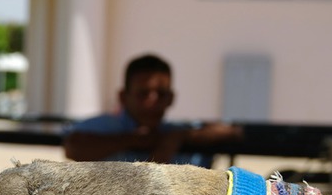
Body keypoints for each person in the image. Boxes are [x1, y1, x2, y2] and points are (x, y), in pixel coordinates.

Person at [63, 53, 242, 165]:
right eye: (143, 94)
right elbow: (74, 147)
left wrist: (182, 137)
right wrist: (134, 140)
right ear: (123, 97)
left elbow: (231, 131)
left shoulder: (172, 131)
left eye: (161, 94)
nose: (152, 102)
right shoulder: (106, 126)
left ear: (171, 98)